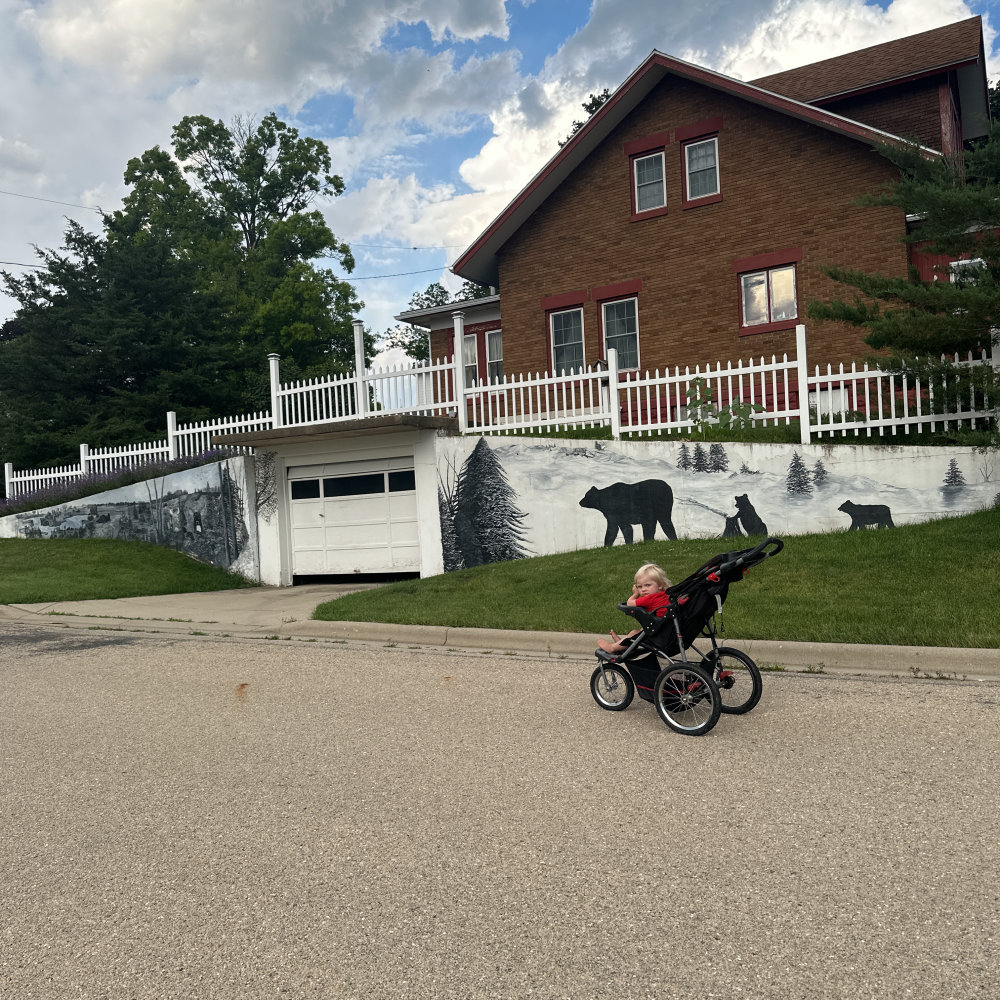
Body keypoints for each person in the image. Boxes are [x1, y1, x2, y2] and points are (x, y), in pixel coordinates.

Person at [596, 562, 672, 654]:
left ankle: (612, 647)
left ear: (660, 585)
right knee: (642, 630)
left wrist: (635, 594)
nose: (643, 589)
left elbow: (630, 604)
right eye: (639, 587)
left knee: (635, 633)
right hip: (668, 632)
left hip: (659, 636)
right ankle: (622, 644)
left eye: (648, 585)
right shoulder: (666, 595)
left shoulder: (650, 598)